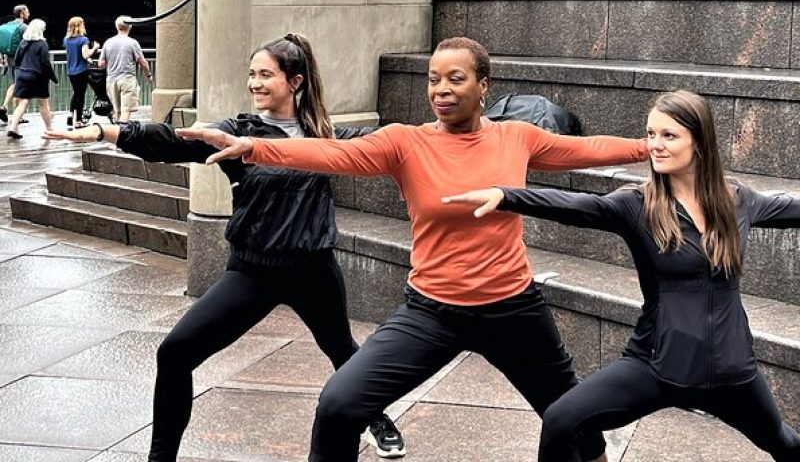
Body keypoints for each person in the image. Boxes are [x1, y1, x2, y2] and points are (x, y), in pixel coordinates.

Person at [176, 36, 651, 462]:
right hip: (432, 312)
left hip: (513, 309)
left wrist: (652, 147)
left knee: (576, 425)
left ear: (483, 86)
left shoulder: (517, 138)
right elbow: (331, 154)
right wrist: (253, 147)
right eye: (433, 80)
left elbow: (588, 149)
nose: (441, 89)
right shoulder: (406, 143)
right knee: (340, 404)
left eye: (456, 79)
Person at [43, 33, 406, 461]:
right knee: (175, 354)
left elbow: (391, 143)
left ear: (296, 81)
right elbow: (173, 141)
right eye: (251, 74)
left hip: (313, 269)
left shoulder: (325, 136)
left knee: (341, 350)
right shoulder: (238, 132)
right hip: (253, 271)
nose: (254, 83)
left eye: (265, 75)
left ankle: (377, 418)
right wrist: (109, 130)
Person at [442, 89, 800, 462]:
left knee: (785, 443)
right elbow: (578, 206)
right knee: (562, 420)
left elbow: (794, 209)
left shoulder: (738, 200)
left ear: (699, 140)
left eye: (668, 135)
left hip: (732, 370)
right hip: (657, 364)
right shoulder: (638, 205)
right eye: (651, 134)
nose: (655, 146)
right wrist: (506, 196)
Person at [7, 19, 57, 139]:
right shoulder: (42, 44)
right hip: (38, 77)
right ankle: (49, 130)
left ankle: (13, 127)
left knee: (23, 102)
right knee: (43, 104)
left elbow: (17, 59)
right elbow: (45, 63)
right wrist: (54, 78)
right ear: (41, 30)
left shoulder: (23, 43)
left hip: (23, 76)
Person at [98, 15, 152, 122]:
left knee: (117, 111)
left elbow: (101, 64)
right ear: (130, 27)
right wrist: (148, 75)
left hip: (111, 81)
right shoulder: (132, 43)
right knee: (126, 111)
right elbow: (142, 62)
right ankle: (122, 134)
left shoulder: (108, 42)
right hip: (127, 80)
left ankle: (117, 133)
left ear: (116, 27)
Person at [63, 16, 100, 129]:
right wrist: (95, 48)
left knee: (76, 93)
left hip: (71, 70)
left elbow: (75, 53)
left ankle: (70, 114)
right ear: (80, 26)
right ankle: (78, 121)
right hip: (81, 70)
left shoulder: (66, 40)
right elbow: (85, 54)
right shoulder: (83, 39)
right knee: (81, 95)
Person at [0, 4, 31, 124]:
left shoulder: (7, 26)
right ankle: (13, 112)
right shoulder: (23, 27)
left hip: (9, 60)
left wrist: (2, 58)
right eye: (27, 11)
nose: (28, 13)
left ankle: (6, 108)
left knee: (15, 84)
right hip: (21, 60)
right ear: (22, 13)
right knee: (19, 86)